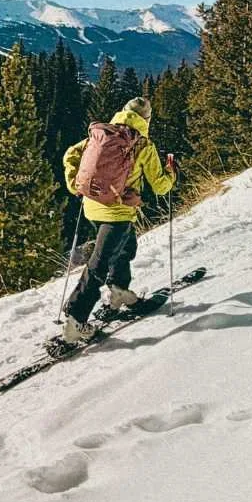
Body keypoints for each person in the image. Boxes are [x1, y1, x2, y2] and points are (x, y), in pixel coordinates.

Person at [59, 97, 177, 344]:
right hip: (118, 213)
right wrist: (171, 173)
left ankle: (119, 290)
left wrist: (76, 185)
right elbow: (161, 187)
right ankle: (74, 322)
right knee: (98, 265)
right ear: (147, 120)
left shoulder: (102, 135)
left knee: (125, 247)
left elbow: (71, 154)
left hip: (92, 207)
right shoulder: (143, 145)